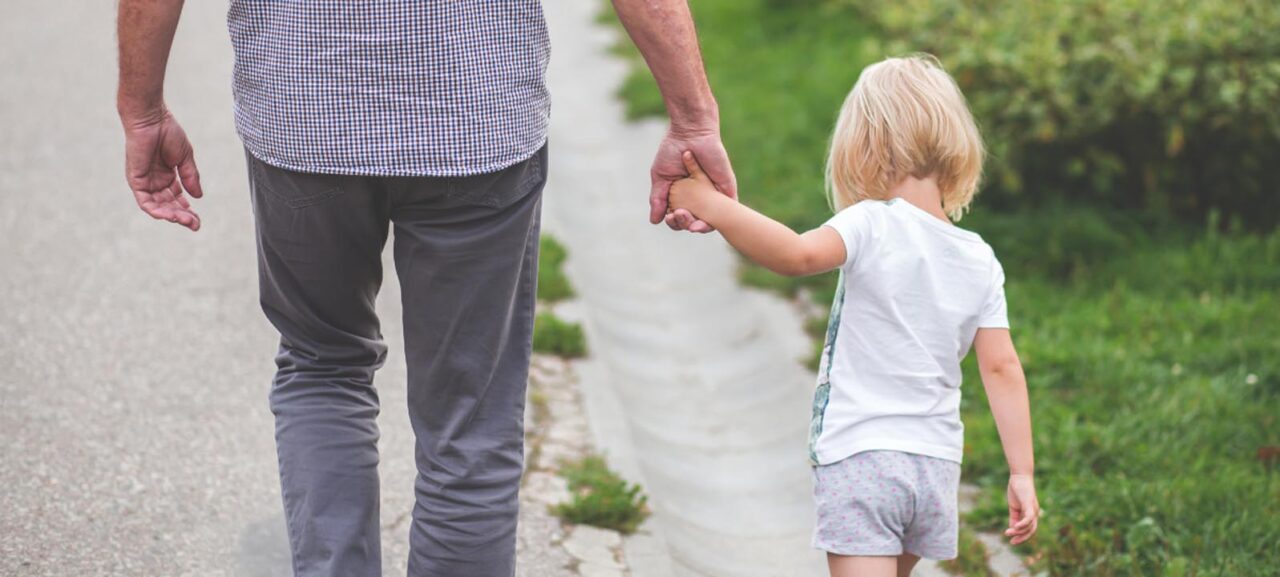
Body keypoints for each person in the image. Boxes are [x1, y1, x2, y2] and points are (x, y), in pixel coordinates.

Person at [115, 1, 736, 576]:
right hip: (475, 116)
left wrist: (143, 109)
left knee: (322, 367)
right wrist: (691, 116)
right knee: (471, 418)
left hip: (302, 112)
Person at [667, 55, 1039, 577]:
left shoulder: (872, 223)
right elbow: (1002, 368)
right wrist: (1021, 471)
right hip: (935, 467)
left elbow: (794, 255)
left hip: (864, 458)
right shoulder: (978, 256)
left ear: (865, 145)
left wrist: (711, 204)